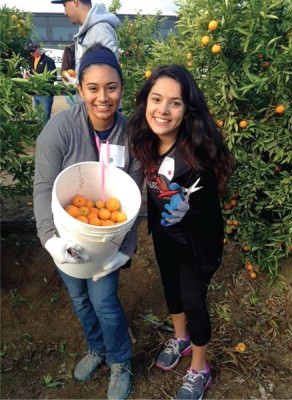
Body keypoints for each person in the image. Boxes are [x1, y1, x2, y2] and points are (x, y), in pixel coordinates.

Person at [33, 44, 143, 400]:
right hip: (68, 233)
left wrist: (123, 251)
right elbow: (44, 188)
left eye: (111, 87)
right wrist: (51, 239)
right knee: (79, 299)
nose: (103, 97)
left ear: (121, 89)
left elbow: (136, 199)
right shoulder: (60, 129)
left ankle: (120, 360)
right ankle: (97, 349)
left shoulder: (131, 136)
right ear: (79, 89)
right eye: (93, 87)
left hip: (106, 239)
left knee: (104, 301)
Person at [127, 65, 234, 400]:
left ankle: (200, 369)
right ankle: (181, 337)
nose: (163, 109)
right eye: (156, 99)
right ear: (146, 101)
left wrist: (189, 207)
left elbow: (205, 208)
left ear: (187, 110)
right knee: (170, 287)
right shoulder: (146, 141)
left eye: (175, 103)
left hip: (197, 240)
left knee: (193, 299)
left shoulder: (195, 152)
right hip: (165, 233)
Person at [51, 0, 120, 75]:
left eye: (65, 6)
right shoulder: (88, 31)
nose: (65, 13)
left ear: (75, 1)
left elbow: (108, 72)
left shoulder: (100, 30)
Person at [25, 38, 57, 124]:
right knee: (39, 118)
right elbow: (31, 74)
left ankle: (47, 136)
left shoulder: (48, 61)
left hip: (45, 94)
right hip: (35, 93)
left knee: (45, 118)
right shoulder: (31, 60)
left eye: (33, 51)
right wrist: (28, 77)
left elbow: (53, 78)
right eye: (30, 52)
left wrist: (36, 77)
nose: (32, 53)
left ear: (38, 47)